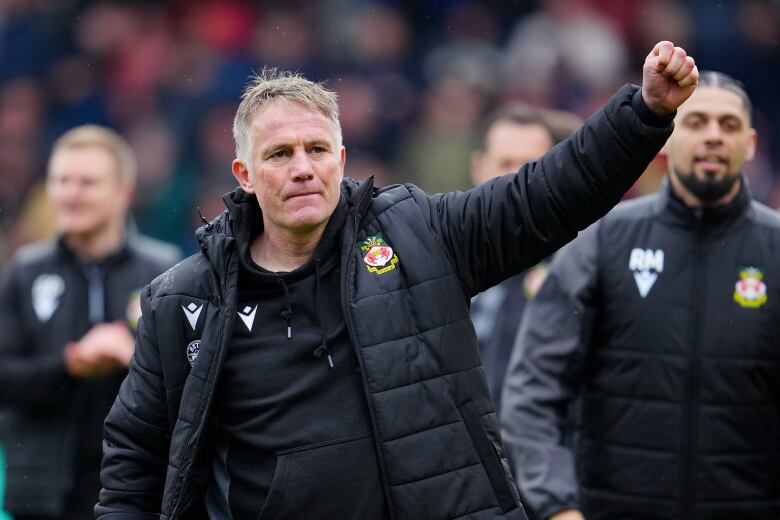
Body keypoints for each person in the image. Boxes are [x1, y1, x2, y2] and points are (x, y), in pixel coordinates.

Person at [96, 41, 697, 520]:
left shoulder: (418, 235)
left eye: (317, 149)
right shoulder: (183, 299)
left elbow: (542, 196)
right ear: (244, 174)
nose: (303, 168)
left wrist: (642, 114)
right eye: (280, 155)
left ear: (342, 157)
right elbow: (134, 457)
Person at [501, 71, 780, 520]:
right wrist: (558, 504)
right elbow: (534, 390)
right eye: (696, 123)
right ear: (666, 141)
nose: (712, 137)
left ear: (749, 144)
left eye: (727, 126)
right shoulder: (605, 239)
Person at [0, 125, 180, 520]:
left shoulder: (165, 272)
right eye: (61, 180)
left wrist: (138, 356)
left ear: (123, 194)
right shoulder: (24, 272)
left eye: (87, 182)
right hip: (41, 494)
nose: (71, 193)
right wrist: (72, 363)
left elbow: (192, 379)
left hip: (140, 491)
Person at [470, 103, 582, 410]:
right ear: (479, 168)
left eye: (530, 165)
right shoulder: (443, 259)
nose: (516, 179)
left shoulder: (582, 265)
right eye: (505, 163)